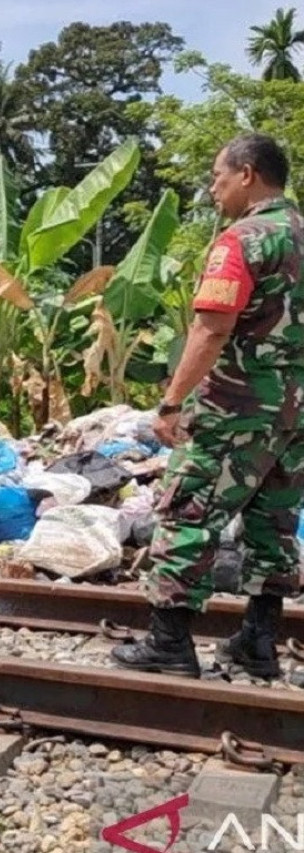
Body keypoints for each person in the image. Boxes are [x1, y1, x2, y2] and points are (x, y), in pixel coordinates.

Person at [112, 133, 304, 679]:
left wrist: (171, 403)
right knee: (274, 524)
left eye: (218, 178)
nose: (214, 190)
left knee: (187, 511)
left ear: (247, 173)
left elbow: (211, 328)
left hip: (235, 408)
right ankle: (258, 644)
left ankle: (170, 643)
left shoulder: (243, 240)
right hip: (296, 415)